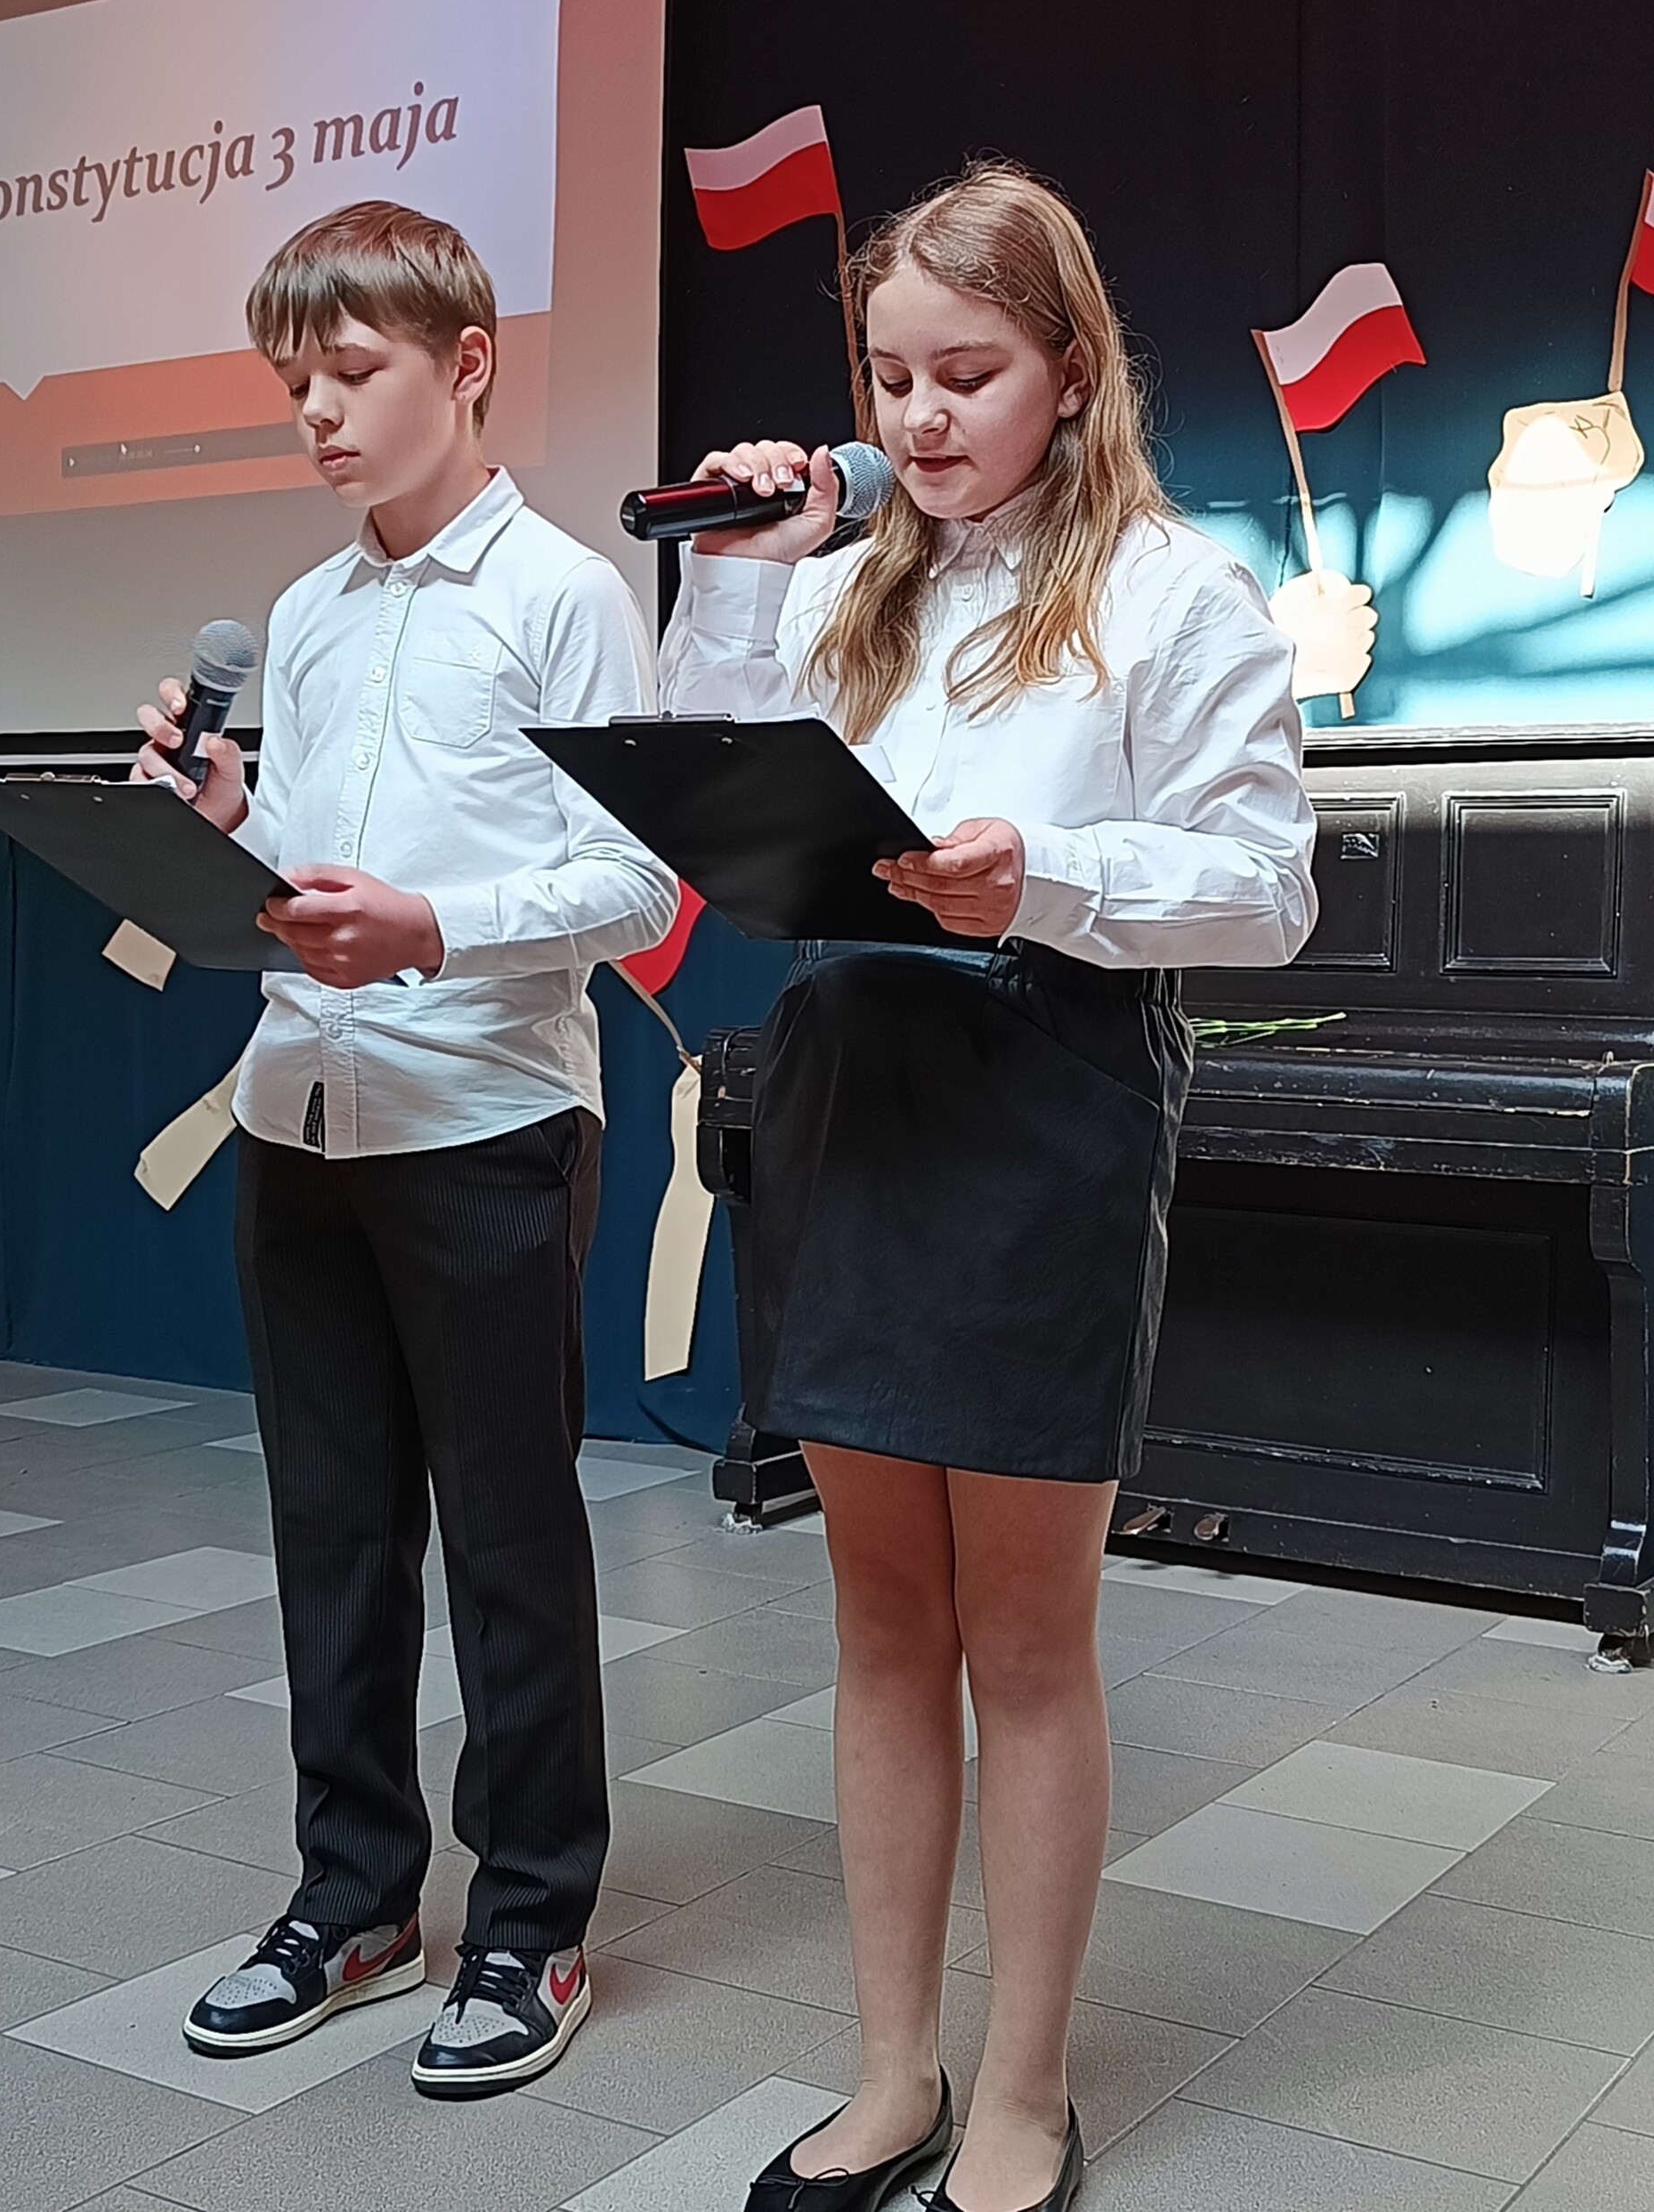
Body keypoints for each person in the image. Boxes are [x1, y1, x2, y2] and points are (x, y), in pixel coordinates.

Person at [661, 162, 1316, 2212]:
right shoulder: (844, 581)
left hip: (1044, 1095)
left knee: (1024, 1634)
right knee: (877, 1618)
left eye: (968, 373)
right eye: (890, 377)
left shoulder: (1171, 588)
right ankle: (890, 2069)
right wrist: (739, 572)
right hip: (851, 1093)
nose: (921, 416)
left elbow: (1268, 891)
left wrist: (1048, 875)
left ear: (1071, 368)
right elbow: (705, 798)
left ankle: (1021, 2087)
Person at [132, 200, 677, 2097]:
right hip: (299, 1109)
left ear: (468, 363)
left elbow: (637, 886)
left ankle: (530, 1922)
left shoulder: (564, 595)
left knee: (509, 1543)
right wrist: (228, 819)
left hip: (484, 1117)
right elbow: (306, 873)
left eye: (353, 371)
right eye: (296, 379)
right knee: (331, 1533)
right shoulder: (302, 613)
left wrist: (432, 927)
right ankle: (354, 1896)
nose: (318, 411)